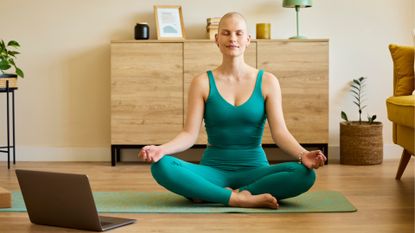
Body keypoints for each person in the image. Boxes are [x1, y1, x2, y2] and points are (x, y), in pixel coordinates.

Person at [138, 12, 326, 209]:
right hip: (212, 171)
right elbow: (189, 134)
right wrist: (161, 149)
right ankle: (240, 198)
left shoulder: (268, 82)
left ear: (248, 40)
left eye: (238, 33)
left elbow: (280, 133)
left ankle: (218, 194)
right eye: (226, 33)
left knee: (305, 174)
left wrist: (303, 154)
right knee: (161, 166)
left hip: (256, 170)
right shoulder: (202, 82)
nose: (233, 38)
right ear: (217, 39)